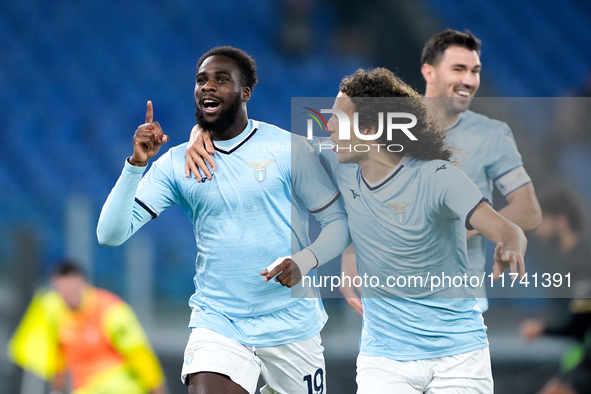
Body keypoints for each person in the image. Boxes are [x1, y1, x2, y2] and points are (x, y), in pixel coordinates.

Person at [185, 67, 527, 393]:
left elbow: (506, 228)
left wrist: (509, 245)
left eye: (337, 118)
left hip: (459, 355)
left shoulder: (438, 177)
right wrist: (201, 133)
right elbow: (255, 141)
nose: (328, 127)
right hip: (384, 358)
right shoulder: (338, 160)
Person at [96, 46, 350, 394]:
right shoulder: (177, 164)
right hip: (220, 321)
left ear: (246, 92)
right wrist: (135, 165)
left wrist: (305, 261)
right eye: (201, 80)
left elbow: (339, 223)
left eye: (221, 80)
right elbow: (110, 234)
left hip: (292, 326)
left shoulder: (288, 148)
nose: (208, 87)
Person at [338, 29, 542, 314]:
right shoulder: (391, 123)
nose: (469, 80)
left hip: (457, 295)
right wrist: (350, 250)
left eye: (475, 71)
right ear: (429, 72)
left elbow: (529, 210)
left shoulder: (492, 135)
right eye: (458, 69)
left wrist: (463, 227)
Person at [7, 260, 166, 394]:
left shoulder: (110, 310)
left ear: (83, 283)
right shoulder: (55, 312)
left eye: (72, 289)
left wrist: (158, 388)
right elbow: (57, 358)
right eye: (62, 291)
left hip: (121, 385)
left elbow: (138, 352)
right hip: (86, 387)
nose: (68, 295)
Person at [519, 186, 591, 394]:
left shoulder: (583, 260)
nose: (538, 229)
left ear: (561, 220)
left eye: (543, 220)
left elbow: (579, 325)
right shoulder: (580, 257)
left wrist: (542, 328)